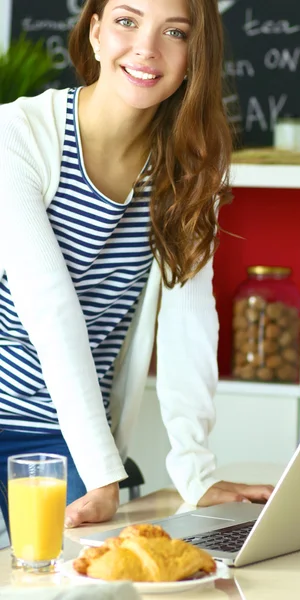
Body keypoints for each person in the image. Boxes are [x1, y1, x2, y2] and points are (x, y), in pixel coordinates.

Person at [0, 0, 273, 531]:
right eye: (127, 21)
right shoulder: (16, 134)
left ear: (195, 54)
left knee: (75, 581)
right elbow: (49, 309)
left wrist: (196, 470)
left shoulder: (190, 166)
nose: (146, 48)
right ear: (96, 33)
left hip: (63, 435)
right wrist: (104, 473)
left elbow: (189, 321)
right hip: (66, 435)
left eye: (174, 31)